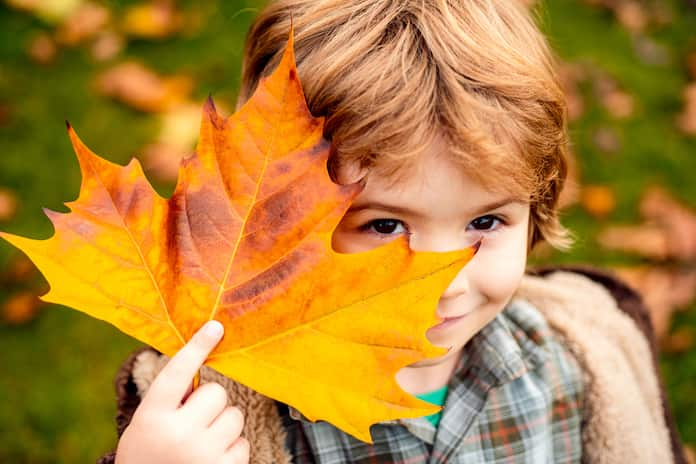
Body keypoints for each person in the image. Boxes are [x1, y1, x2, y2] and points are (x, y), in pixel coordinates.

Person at [101, 1, 687, 463]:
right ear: (274, 225)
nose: (442, 280)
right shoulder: (219, 420)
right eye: (384, 225)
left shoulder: (580, 367)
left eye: (485, 222)